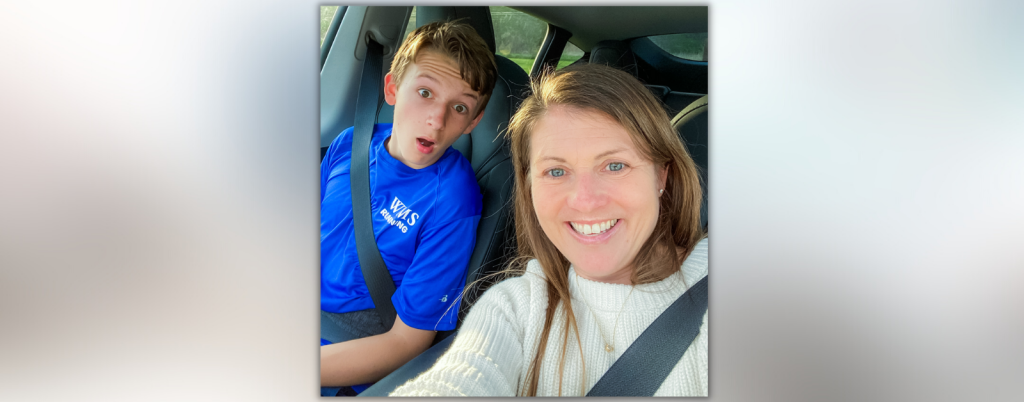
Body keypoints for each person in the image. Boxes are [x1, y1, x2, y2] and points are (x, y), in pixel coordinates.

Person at [390, 63, 708, 396]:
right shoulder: (516, 309)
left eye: (615, 165)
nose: (585, 201)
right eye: (556, 171)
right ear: (529, 188)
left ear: (661, 175)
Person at [319, 20, 497, 395]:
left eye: (460, 107)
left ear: (474, 121)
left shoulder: (453, 200)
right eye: (425, 93)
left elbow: (407, 343)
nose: (437, 119)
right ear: (392, 88)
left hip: (341, 357)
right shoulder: (350, 144)